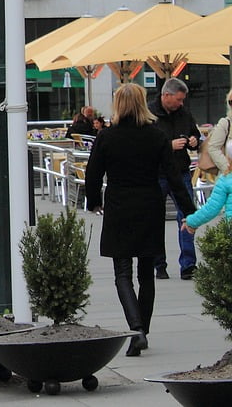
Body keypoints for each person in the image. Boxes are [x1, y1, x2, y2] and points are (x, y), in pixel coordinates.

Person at [85, 83, 196, 356]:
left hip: (119, 205)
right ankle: (141, 331)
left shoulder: (107, 137)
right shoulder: (156, 136)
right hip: (149, 202)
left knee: (122, 273)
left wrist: (94, 202)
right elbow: (173, 176)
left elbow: (93, 174)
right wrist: (189, 211)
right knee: (147, 273)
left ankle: (135, 329)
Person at [149, 77, 202, 280]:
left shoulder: (184, 114)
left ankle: (188, 265)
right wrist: (168, 146)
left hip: (180, 172)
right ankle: (158, 264)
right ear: (166, 95)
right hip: (158, 174)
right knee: (155, 219)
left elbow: (196, 136)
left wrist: (194, 141)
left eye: (183, 100)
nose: (181, 103)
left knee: (188, 216)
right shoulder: (149, 114)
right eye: (178, 99)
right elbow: (144, 145)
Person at [201, 87, 232, 177]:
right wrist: (228, 168)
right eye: (230, 102)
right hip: (228, 178)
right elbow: (213, 148)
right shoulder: (225, 123)